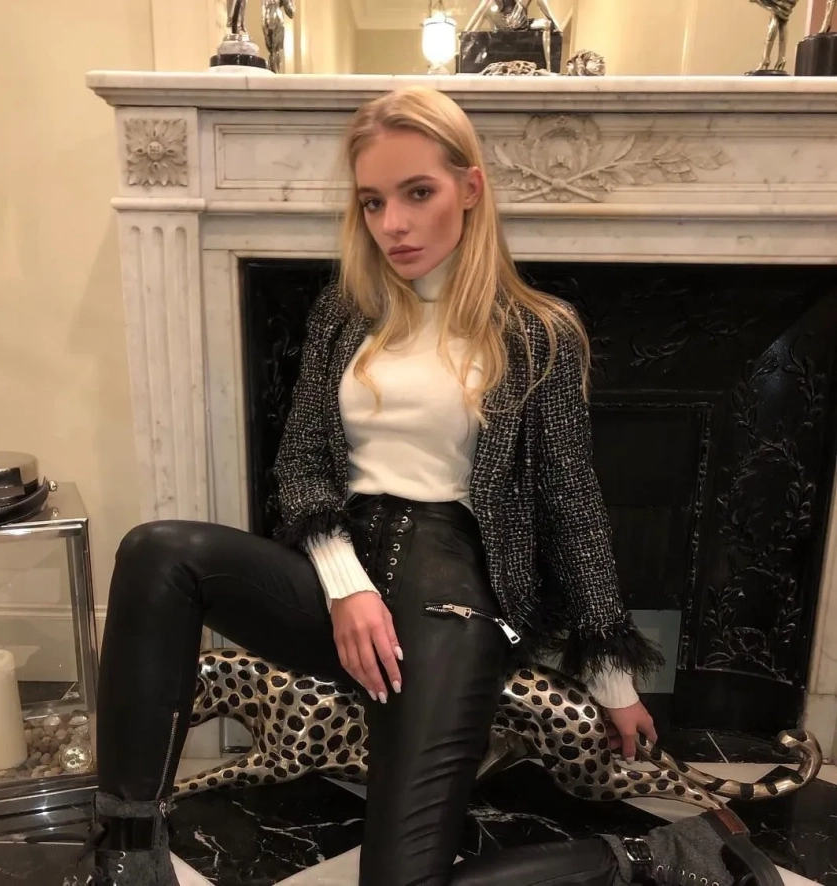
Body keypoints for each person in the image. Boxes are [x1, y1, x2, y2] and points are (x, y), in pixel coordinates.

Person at [83, 87, 780, 886]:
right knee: (158, 552)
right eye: (374, 201)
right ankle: (129, 855)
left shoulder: (538, 332)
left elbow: (572, 506)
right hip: (344, 579)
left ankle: (657, 855)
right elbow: (301, 463)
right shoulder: (344, 314)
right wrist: (345, 586)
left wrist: (612, 679)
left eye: (418, 193)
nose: (394, 224)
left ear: (470, 188)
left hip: (451, 595)